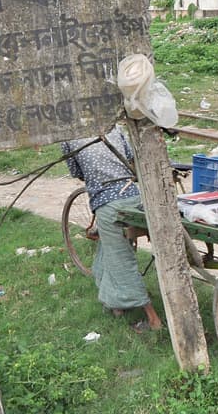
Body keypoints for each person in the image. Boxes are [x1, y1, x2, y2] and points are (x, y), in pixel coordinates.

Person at [60, 126, 163, 332]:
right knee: (108, 247)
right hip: (134, 195)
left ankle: (153, 319)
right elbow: (129, 158)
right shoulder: (113, 127)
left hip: (109, 203)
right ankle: (116, 305)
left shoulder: (67, 137)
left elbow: (77, 172)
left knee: (120, 259)